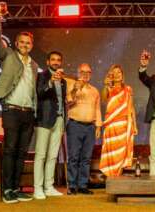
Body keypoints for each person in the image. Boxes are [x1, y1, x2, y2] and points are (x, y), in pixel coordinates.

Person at [0, 5, 38, 204]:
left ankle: (16, 188)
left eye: (28, 43)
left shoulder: (34, 65)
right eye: (22, 42)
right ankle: (7, 190)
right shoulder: (9, 55)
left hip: (28, 113)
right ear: (17, 43)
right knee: (10, 150)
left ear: (31, 45)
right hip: (11, 110)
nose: (25, 45)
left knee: (21, 152)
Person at [33, 51, 67, 199]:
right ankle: (37, 188)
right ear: (47, 62)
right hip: (44, 119)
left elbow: (61, 101)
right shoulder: (42, 76)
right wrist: (50, 82)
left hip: (59, 120)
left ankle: (49, 186)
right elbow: (39, 93)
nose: (56, 62)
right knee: (41, 155)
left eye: (58, 60)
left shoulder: (64, 81)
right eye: (53, 60)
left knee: (53, 156)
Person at [65, 63, 102, 195]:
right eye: (82, 71)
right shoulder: (72, 86)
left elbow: (97, 109)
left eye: (88, 72)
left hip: (90, 127)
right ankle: (72, 185)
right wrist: (75, 90)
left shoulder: (95, 90)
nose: (85, 74)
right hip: (75, 125)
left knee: (86, 158)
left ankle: (82, 185)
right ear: (78, 72)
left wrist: (98, 126)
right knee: (74, 157)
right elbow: (68, 102)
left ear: (90, 74)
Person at [99, 65, 138, 176]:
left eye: (119, 72)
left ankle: (117, 178)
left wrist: (135, 125)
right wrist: (106, 85)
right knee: (111, 153)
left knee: (121, 154)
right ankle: (111, 179)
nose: (117, 74)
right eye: (114, 73)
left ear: (122, 75)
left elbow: (131, 108)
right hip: (111, 125)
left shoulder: (128, 89)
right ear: (111, 75)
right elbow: (104, 98)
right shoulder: (108, 88)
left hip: (124, 126)